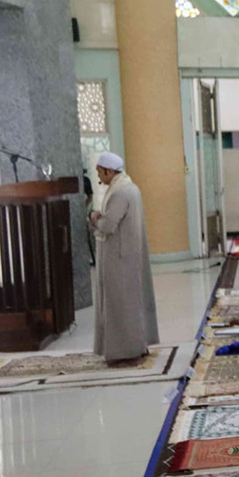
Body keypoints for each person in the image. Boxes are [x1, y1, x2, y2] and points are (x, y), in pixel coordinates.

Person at [89, 152, 159, 365]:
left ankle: (124, 351)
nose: (100, 178)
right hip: (127, 254)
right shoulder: (131, 188)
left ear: (109, 171)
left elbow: (109, 226)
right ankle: (137, 345)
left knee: (120, 304)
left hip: (119, 258)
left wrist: (94, 219)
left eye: (100, 172)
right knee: (131, 302)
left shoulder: (120, 192)